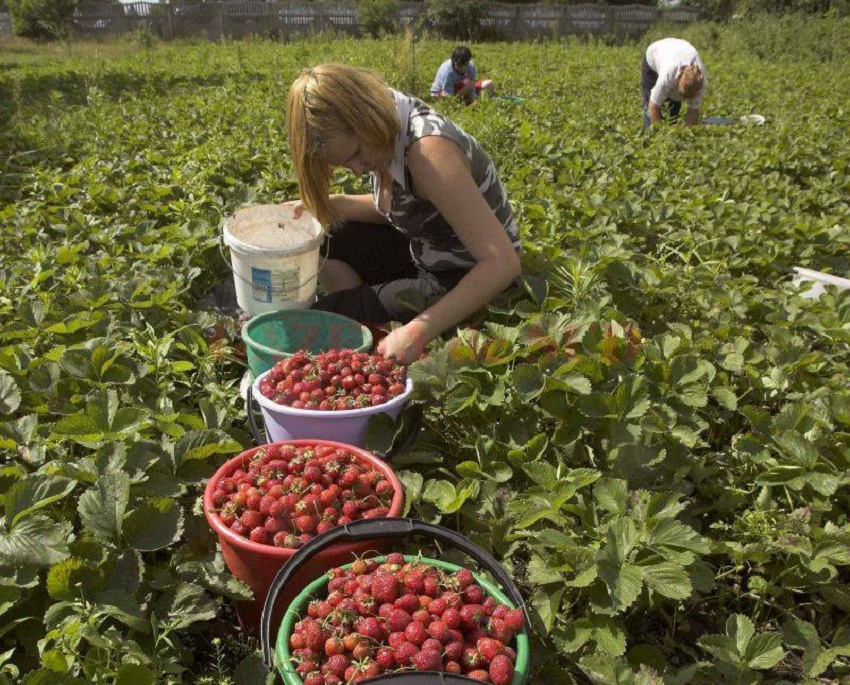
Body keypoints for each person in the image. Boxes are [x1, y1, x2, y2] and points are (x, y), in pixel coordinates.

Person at [284, 64, 521, 364]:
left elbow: (503, 262)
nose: (357, 169)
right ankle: (368, 318)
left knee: (324, 320)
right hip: (424, 246)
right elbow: (407, 209)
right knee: (329, 234)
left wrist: (421, 329)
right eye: (346, 164)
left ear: (365, 117)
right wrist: (335, 204)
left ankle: (369, 322)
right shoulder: (388, 121)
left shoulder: (428, 153)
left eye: (355, 154)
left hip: (462, 273)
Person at [642, 38, 707, 128]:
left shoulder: (700, 82)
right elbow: (653, 106)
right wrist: (659, 133)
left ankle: (671, 126)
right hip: (655, 54)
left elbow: (693, 111)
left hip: (680, 50)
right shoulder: (667, 76)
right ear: (677, 80)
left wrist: (684, 132)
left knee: (673, 111)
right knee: (649, 107)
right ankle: (649, 135)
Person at [430, 46, 495, 106]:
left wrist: (473, 97)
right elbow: (448, 97)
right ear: (453, 61)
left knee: (489, 84)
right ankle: (469, 103)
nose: (462, 69)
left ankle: (478, 102)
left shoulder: (471, 67)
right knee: (469, 86)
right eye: (459, 66)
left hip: (462, 87)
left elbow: (472, 86)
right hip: (442, 93)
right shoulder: (448, 72)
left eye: (465, 65)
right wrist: (466, 91)